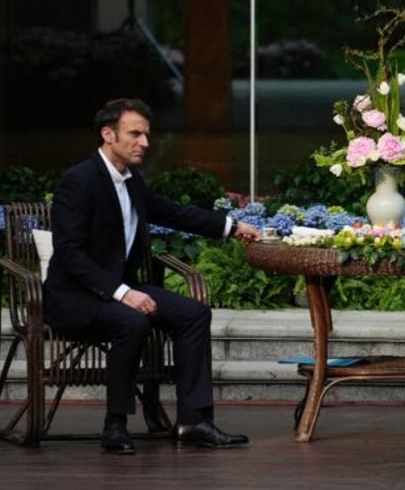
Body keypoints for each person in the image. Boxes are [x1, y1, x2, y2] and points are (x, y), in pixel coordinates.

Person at [43, 98, 261, 454]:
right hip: (73, 298)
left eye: (146, 134)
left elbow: (172, 213)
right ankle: (115, 424)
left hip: (116, 291)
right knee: (132, 321)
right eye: (135, 134)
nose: (144, 142)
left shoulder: (131, 181)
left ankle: (194, 421)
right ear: (108, 134)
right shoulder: (77, 181)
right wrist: (122, 292)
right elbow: (69, 254)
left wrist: (232, 226)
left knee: (194, 314)